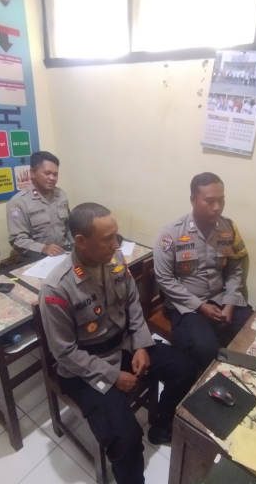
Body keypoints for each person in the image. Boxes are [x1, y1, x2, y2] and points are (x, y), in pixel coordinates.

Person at [39, 203, 196, 484]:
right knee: (126, 439)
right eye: (107, 239)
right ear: (81, 241)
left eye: (116, 236)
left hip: (124, 345)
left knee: (185, 367)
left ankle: (162, 426)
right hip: (84, 368)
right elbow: (64, 352)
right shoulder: (57, 288)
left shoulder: (115, 260)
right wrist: (113, 376)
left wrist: (141, 344)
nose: (116, 244)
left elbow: (132, 302)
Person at [153, 173, 253, 372]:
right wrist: (200, 306)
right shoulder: (172, 234)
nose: (217, 207)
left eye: (221, 200)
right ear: (193, 200)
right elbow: (164, 279)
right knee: (205, 350)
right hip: (186, 306)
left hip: (221, 298)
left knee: (254, 331)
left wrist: (230, 303)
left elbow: (235, 269)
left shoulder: (228, 228)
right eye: (209, 201)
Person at [7, 151, 72, 257]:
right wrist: (43, 248)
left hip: (63, 253)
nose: (52, 178)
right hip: (37, 258)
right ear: (32, 173)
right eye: (47, 173)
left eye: (55, 174)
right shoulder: (19, 202)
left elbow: (68, 228)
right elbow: (17, 240)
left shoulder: (61, 195)